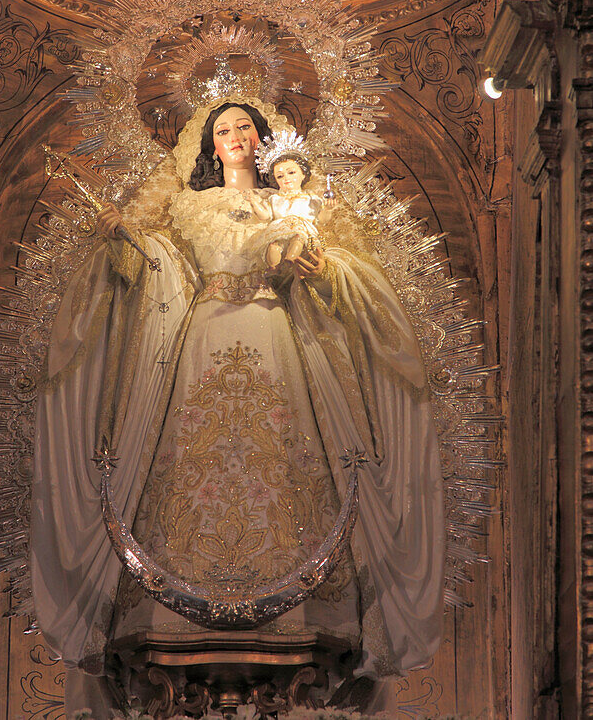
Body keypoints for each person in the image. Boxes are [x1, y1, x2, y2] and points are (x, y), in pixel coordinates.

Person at [31, 97, 445, 719]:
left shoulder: (293, 202)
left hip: (279, 336)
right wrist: (128, 242)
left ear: (263, 138)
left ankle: (307, 601)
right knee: (187, 458)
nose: (234, 137)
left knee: (291, 457)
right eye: (221, 129)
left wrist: (319, 265)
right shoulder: (187, 207)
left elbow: (332, 274)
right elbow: (161, 268)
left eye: (244, 127)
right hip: (200, 340)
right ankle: (170, 601)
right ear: (206, 143)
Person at [246, 129, 335, 268]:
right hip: (280, 230)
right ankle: (274, 267)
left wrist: (328, 209)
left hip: (302, 232)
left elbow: (321, 220)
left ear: (303, 174)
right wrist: (253, 202)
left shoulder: (311, 198)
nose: (286, 178)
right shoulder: (274, 199)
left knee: (298, 238)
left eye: (291, 172)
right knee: (274, 245)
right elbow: (264, 216)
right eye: (280, 176)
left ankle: (290, 260)